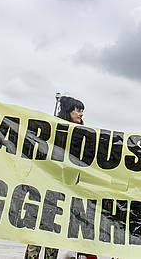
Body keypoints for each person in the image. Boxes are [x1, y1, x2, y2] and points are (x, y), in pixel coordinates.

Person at [25, 95, 96, 259]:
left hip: (64, 189)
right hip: (46, 187)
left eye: (82, 111)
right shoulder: (53, 130)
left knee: (55, 231)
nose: (81, 114)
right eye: (78, 110)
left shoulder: (82, 134)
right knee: (38, 229)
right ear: (68, 111)